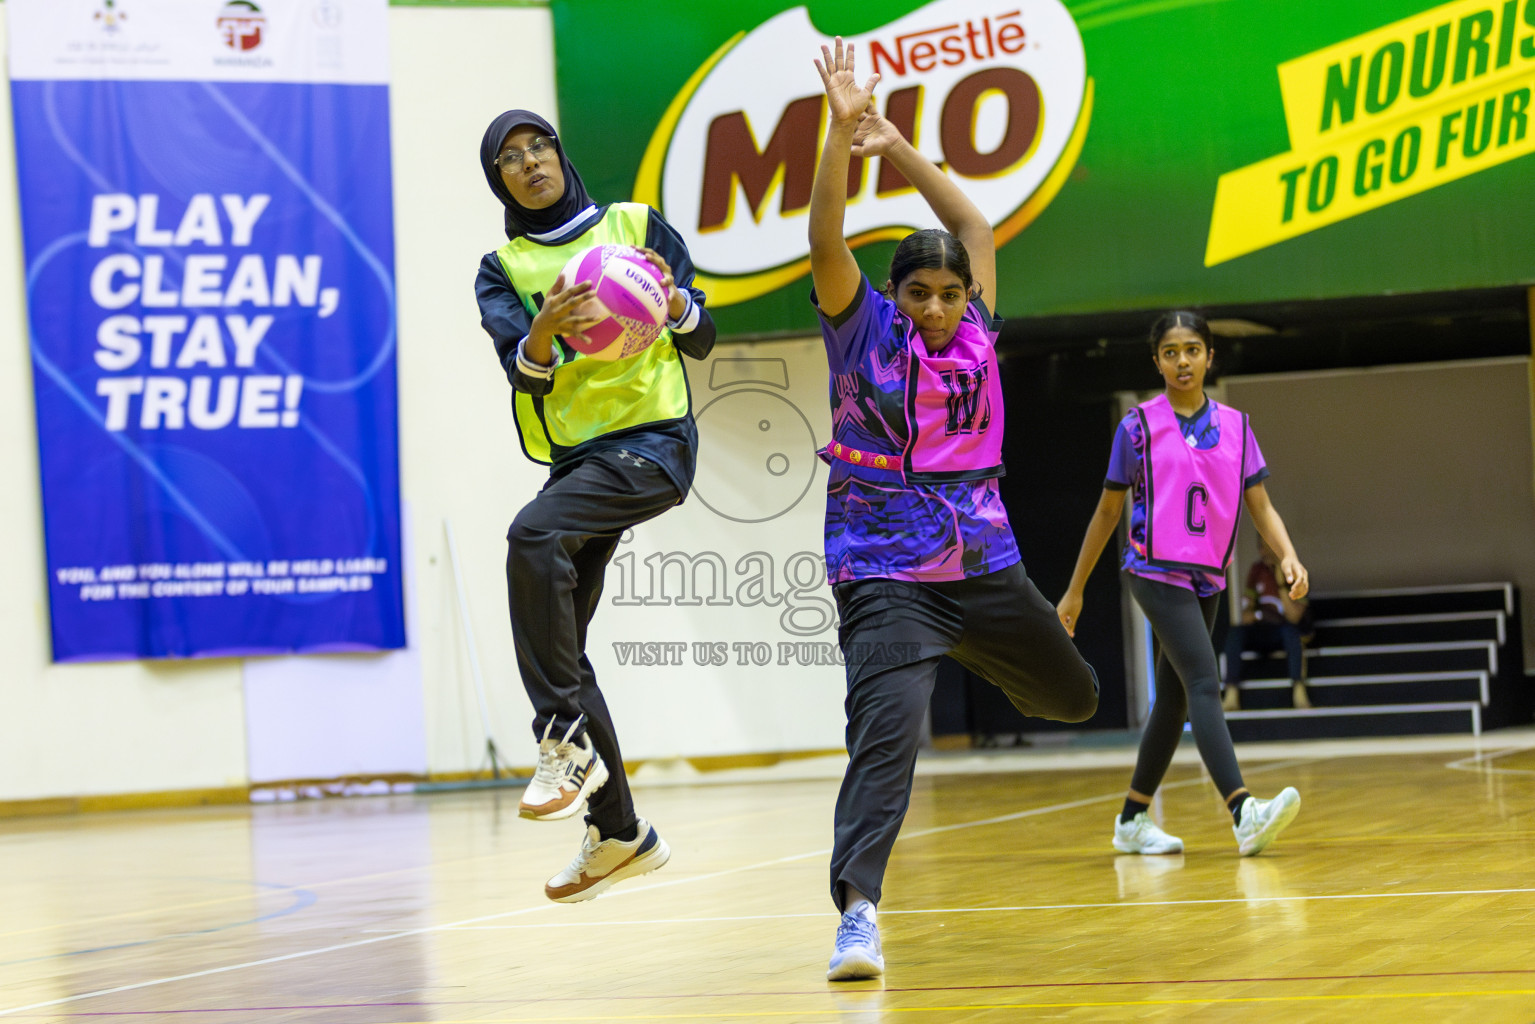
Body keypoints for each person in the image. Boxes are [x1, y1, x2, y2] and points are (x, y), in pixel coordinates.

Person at [808, 40, 1099, 981]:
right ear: (893, 297)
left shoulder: (975, 330)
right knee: (882, 742)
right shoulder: (862, 338)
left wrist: (893, 144)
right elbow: (824, 239)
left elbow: (974, 225)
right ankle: (857, 915)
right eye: (918, 293)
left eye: (947, 292)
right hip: (885, 574)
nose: (935, 306)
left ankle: (968, 645)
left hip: (981, 569)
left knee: (1076, 698)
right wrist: (837, 133)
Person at [474, 109, 717, 902]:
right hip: (580, 460)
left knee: (527, 537)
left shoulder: (633, 225)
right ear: (499, 180)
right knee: (562, 645)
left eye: (538, 145)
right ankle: (618, 832)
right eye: (509, 158)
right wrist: (541, 331)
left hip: (652, 445)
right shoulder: (502, 268)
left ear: (559, 152)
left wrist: (674, 303)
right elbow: (526, 375)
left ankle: (560, 739)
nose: (529, 162)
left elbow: (703, 334)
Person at [1056, 311, 1307, 861]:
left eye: (1192, 349)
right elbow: (1106, 511)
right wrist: (1075, 590)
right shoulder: (1137, 427)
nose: (1182, 360)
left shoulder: (1238, 426)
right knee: (1203, 680)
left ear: (1210, 356)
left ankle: (1132, 818)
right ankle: (1243, 810)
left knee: (1172, 700)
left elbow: (1260, 506)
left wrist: (1288, 555)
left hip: (1208, 575)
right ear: (1157, 361)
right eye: (1170, 352)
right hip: (1151, 568)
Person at [1222, 535, 1314, 711]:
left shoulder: (1296, 572)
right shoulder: (1257, 570)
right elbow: (1247, 614)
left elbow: (1294, 617)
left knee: (1291, 632)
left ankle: (1299, 689)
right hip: (1261, 628)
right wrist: (1256, 614)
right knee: (1236, 632)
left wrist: (1280, 579)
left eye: (1271, 546)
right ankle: (1231, 692)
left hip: (1284, 630)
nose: (1266, 551)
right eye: (1263, 547)